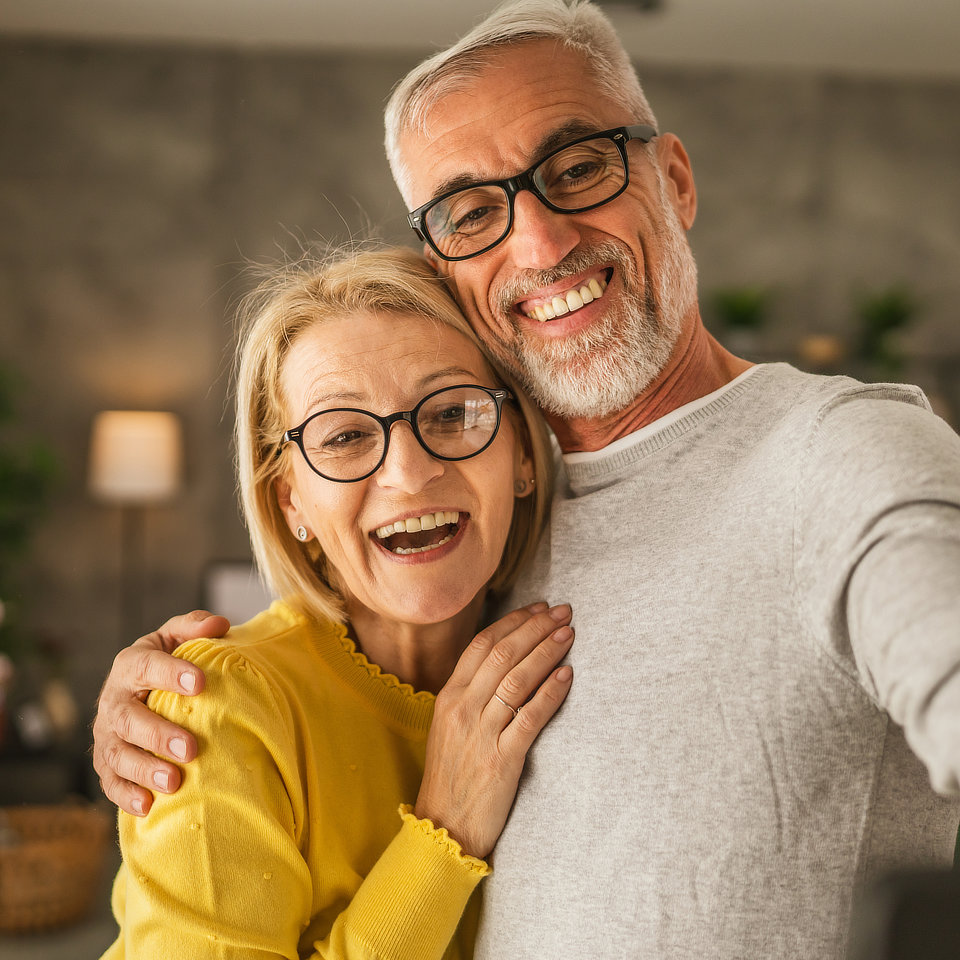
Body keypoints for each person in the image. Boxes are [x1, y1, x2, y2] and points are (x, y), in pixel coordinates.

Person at [94, 1, 960, 957]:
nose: (541, 243)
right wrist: (184, 701)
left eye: (580, 166)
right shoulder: (498, 540)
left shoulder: (844, 458)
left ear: (673, 179)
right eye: (473, 211)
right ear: (450, 266)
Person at [99, 244, 575, 959]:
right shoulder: (218, 708)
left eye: (451, 413)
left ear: (523, 458)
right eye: (346, 436)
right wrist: (445, 832)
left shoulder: (567, 654)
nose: (409, 474)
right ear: (291, 502)